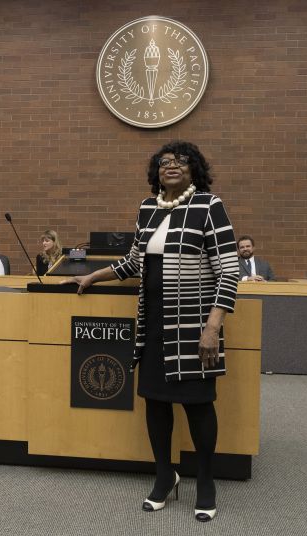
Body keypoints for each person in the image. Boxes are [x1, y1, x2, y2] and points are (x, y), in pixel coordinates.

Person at [64, 141, 240, 522]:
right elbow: (134, 261)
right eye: (164, 162)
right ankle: (165, 475)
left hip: (194, 325)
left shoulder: (209, 206)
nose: (170, 166)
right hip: (154, 323)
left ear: (195, 169)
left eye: (180, 161)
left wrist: (213, 327)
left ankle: (206, 482)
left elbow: (229, 270)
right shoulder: (148, 208)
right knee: (156, 402)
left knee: (198, 404)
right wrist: (95, 275)